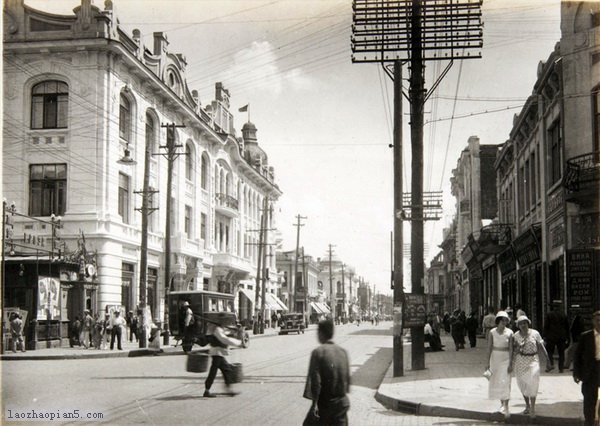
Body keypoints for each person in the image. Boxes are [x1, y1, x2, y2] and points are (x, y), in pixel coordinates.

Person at [303, 319, 350, 425]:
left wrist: (314, 405)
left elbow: (316, 383)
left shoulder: (318, 353)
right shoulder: (343, 352)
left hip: (326, 406)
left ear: (321, 333)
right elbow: (347, 383)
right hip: (342, 405)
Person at [511, 315, 551, 419]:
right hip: (520, 361)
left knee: (533, 382)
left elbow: (541, 347)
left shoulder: (535, 333)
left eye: (525, 323)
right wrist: (511, 363)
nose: (523, 325)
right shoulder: (515, 336)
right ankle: (527, 405)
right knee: (522, 383)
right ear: (518, 325)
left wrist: (547, 360)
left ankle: (532, 407)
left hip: (533, 359)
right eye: (521, 324)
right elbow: (513, 350)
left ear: (528, 323)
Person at [203, 315, 243, 398]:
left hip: (219, 353)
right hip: (217, 353)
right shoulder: (217, 329)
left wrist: (234, 331)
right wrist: (238, 342)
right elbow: (224, 339)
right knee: (216, 372)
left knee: (225, 370)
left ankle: (227, 390)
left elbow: (226, 333)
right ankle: (209, 391)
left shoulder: (218, 328)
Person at [573, 310, 600, 426]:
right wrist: (576, 373)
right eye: (597, 320)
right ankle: (589, 423)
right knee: (589, 401)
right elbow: (577, 355)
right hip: (590, 372)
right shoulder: (586, 336)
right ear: (593, 322)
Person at [485, 311, 513, 419]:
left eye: (505, 321)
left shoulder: (510, 332)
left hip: (505, 359)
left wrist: (510, 362)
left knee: (506, 382)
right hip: (495, 359)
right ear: (498, 321)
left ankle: (506, 406)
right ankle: (502, 404)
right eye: (502, 321)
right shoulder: (492, 332)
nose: (504, 323)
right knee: (498, 382)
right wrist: (487, 363)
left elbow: (511, 348)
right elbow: (489, 348)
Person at [543, 302, 570, 373]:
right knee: (561, 353)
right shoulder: (563, 315)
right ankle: (561, 368)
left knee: (549, 352)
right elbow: (567, 327)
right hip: (561, 337)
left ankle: (550, 365)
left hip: (551, 337)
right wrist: (568, 337)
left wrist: (545, 336)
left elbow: (546, 326)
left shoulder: (549, 314)